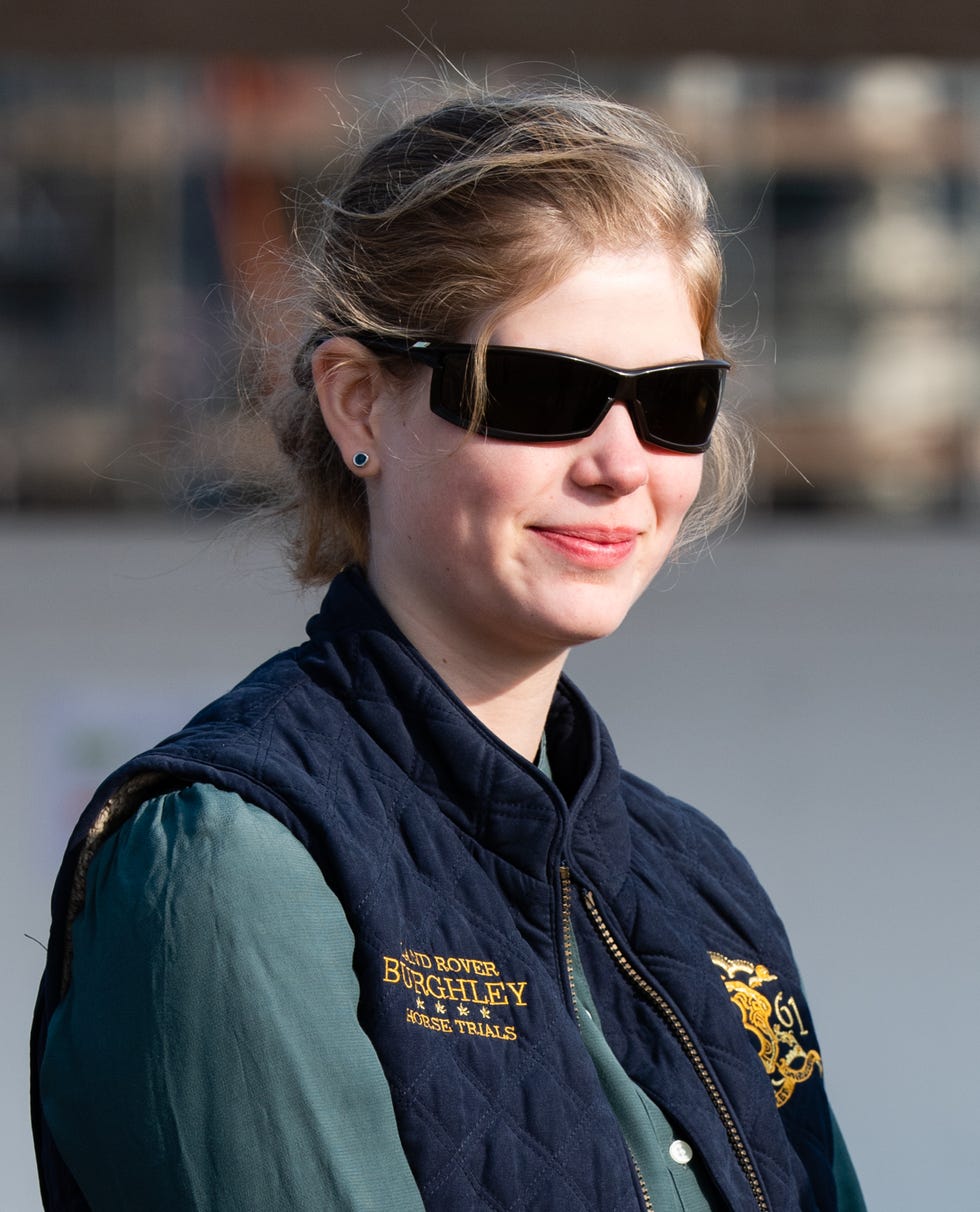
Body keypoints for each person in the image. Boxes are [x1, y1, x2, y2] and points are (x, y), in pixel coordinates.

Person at [31, 85, 865, 1211]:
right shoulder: (234, 865)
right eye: (540, 391)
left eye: (671, 401)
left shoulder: (696, 880)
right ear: (360, 405)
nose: (620, 462)